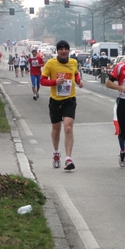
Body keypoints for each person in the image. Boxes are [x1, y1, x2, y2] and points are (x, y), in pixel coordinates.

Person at [41, 40, 84, 170]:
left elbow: (75, 74)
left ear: (69, 51)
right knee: (56, 129)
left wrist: (78, 81)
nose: (64, 51)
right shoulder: (51, 63)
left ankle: (68, 158)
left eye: (66, 49)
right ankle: (56, 153)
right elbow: (42, 81)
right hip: (55, 100)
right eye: (61, 49)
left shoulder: (73, 62)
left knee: (68, 128)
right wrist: (55, 82)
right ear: (57, 51)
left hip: (69, 100)